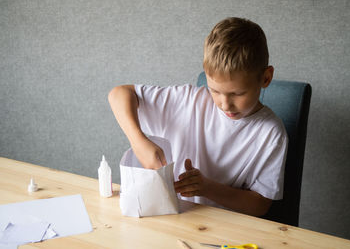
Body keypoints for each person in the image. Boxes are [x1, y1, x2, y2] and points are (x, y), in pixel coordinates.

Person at [108, 17, 288, 217]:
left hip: (223, 226)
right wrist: (138, 141)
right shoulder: (188, 100)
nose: (225, 104)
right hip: (170, 216)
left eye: (238, 94)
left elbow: (260, 205)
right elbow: (118, 94)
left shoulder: (271, 133)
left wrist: (207, 188)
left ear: (266, 78)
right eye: (215, 91)